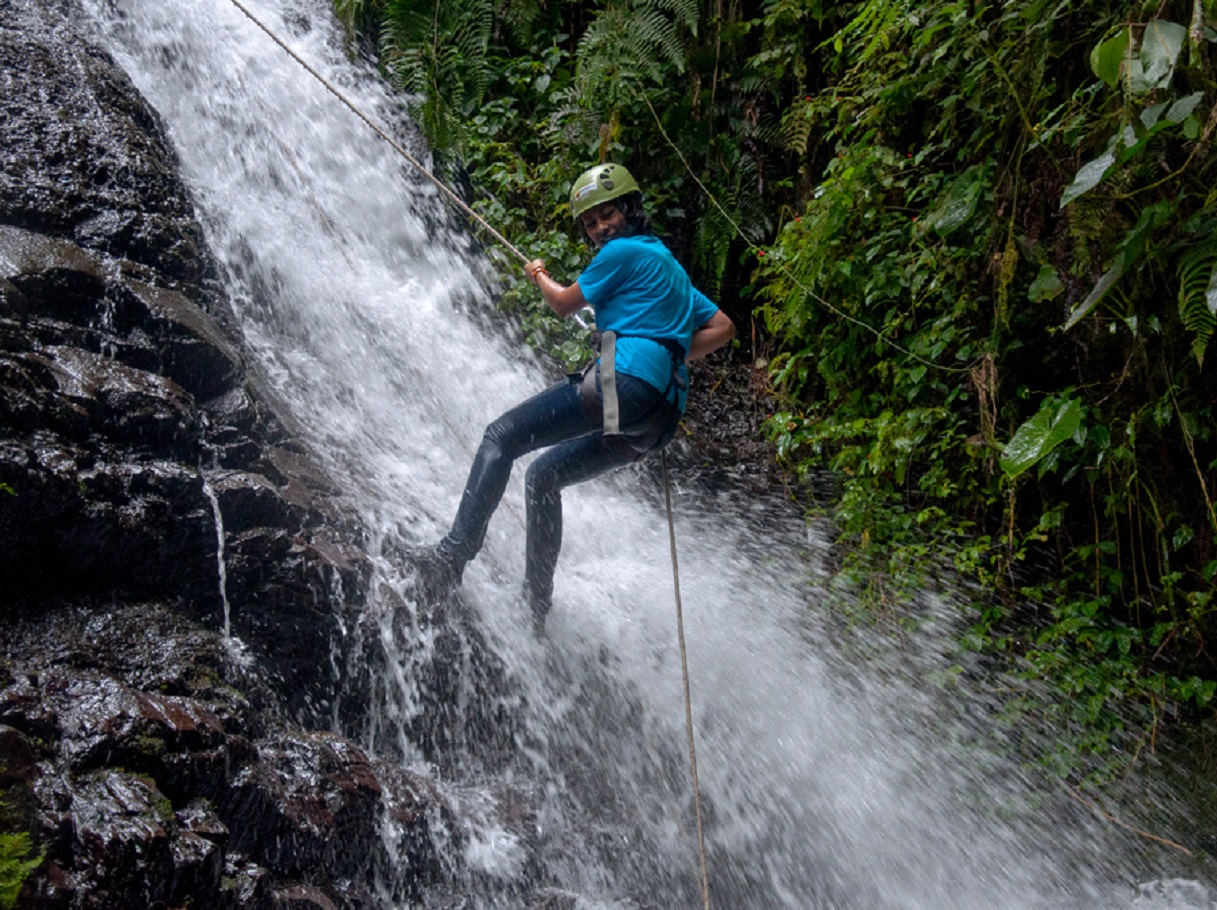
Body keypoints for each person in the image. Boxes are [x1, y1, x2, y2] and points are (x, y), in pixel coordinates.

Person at [415, 162, 735, 632]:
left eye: (607, 214)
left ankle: (449, 560)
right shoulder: (668, 267)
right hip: (659, 416)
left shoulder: (621, 253)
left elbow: (564, 303)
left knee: (501, 437)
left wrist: (539, 272)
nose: (601, 227)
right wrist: (671, 352)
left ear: (629, 209)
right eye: (590, 222)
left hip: (623, 384)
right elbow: (724, 327)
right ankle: (536, 610)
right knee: (544, 477)